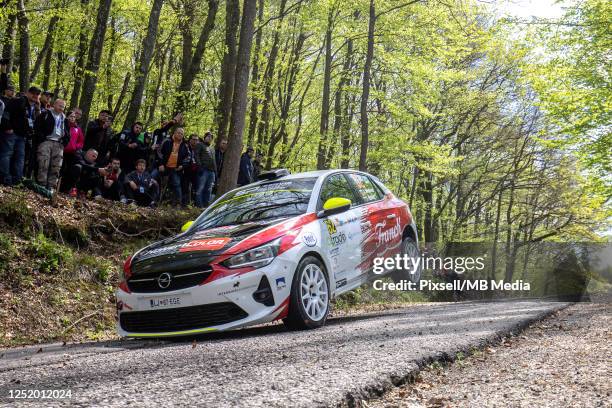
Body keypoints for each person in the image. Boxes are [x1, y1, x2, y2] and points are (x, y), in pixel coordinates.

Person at [0, 85, 41, 186]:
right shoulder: (18, 101)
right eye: (33, 93)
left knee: (20, 157)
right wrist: (8, 127)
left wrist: (37, 110)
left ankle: (17, 180)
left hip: (22, 136)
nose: (35, 95)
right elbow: (6, 114)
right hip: (11, 133)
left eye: (37, 94)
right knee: (6, 154)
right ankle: (5, 178)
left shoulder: (34, 107)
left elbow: (33, 122)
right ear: (28, 93)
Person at [34, 99, 69, 191]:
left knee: (56, 166)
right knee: (44, 163)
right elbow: (37, 127)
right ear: (54, 104)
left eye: (63, 106)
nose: (61, 108)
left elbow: (67, 133)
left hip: (59, 144)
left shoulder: (64, 118)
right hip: (46, 141)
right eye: (60, 105)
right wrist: (41, 138)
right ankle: (41, 184)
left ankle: (51, 186)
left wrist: (64, 142)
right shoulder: (45, 114)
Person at [152, 127, 189, 206]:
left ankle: (178, 204)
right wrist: (160, 164)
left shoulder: (185, 145)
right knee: (152, 177)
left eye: (181, 134)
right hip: (163, 166)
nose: (180, 135)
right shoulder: (166, 140)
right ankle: (150, 200)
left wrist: (182, 166)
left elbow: (188, 157)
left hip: (175, 169)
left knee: (177, 184)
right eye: (178, 133)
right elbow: (158, 152)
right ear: (175, 133)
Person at [62, 110, 85, 184]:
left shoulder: (77, 128)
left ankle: (63, 186)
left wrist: (75, 146)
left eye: (74, 117)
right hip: (61, 150)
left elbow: (81, 141)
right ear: (67, 117)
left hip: (72, 153)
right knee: (60, 167)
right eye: (71, 116)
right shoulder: (63, 125)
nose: (72, 118)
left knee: (68, 169)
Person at [194, 131, 217, 207]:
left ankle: (205, 206)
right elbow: (196, 155)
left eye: (211, 137)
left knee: (209, 190)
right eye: (208, 136)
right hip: (203, 170)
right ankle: (199, 207)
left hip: (211, 172)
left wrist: (215, 172)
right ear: (205, 137)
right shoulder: (200, 145)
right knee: (200, 189)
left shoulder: (212, 148)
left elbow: (214, 161)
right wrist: (200, 166)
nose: (209, 138)